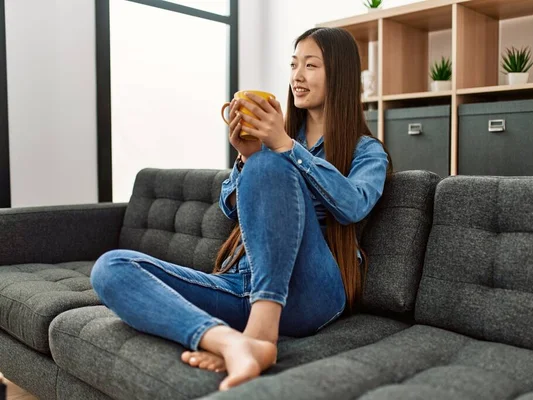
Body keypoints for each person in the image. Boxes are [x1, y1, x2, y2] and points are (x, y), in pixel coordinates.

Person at [90, 26, 392, 392]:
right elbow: (233, 211)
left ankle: (261, 335)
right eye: (294, 64)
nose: (297, 76)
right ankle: (232, 343)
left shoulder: (366, 151)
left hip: (312, 292)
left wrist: (283, 149)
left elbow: (354, 205)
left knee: (270, 164)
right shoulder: (273, 144)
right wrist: (248, 158)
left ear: (340, 75)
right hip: (242, 285)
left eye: (311, 65)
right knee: (112, 268)